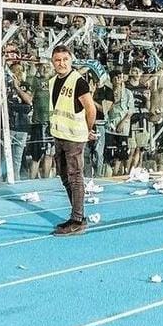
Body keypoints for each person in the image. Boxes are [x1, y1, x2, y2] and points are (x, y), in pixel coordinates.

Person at [48, 45, 96, 236]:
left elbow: (91, 109)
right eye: (58, 60)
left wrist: (88, 129)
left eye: (65, 59)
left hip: (74, 137)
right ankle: (77, 215)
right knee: (64, 176)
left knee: (75, 177)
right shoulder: (52, 81)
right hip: (59, 135)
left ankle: (77, 219)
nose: (61, 63)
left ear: (71, 60)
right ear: (53, 62)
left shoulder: (78, 82)